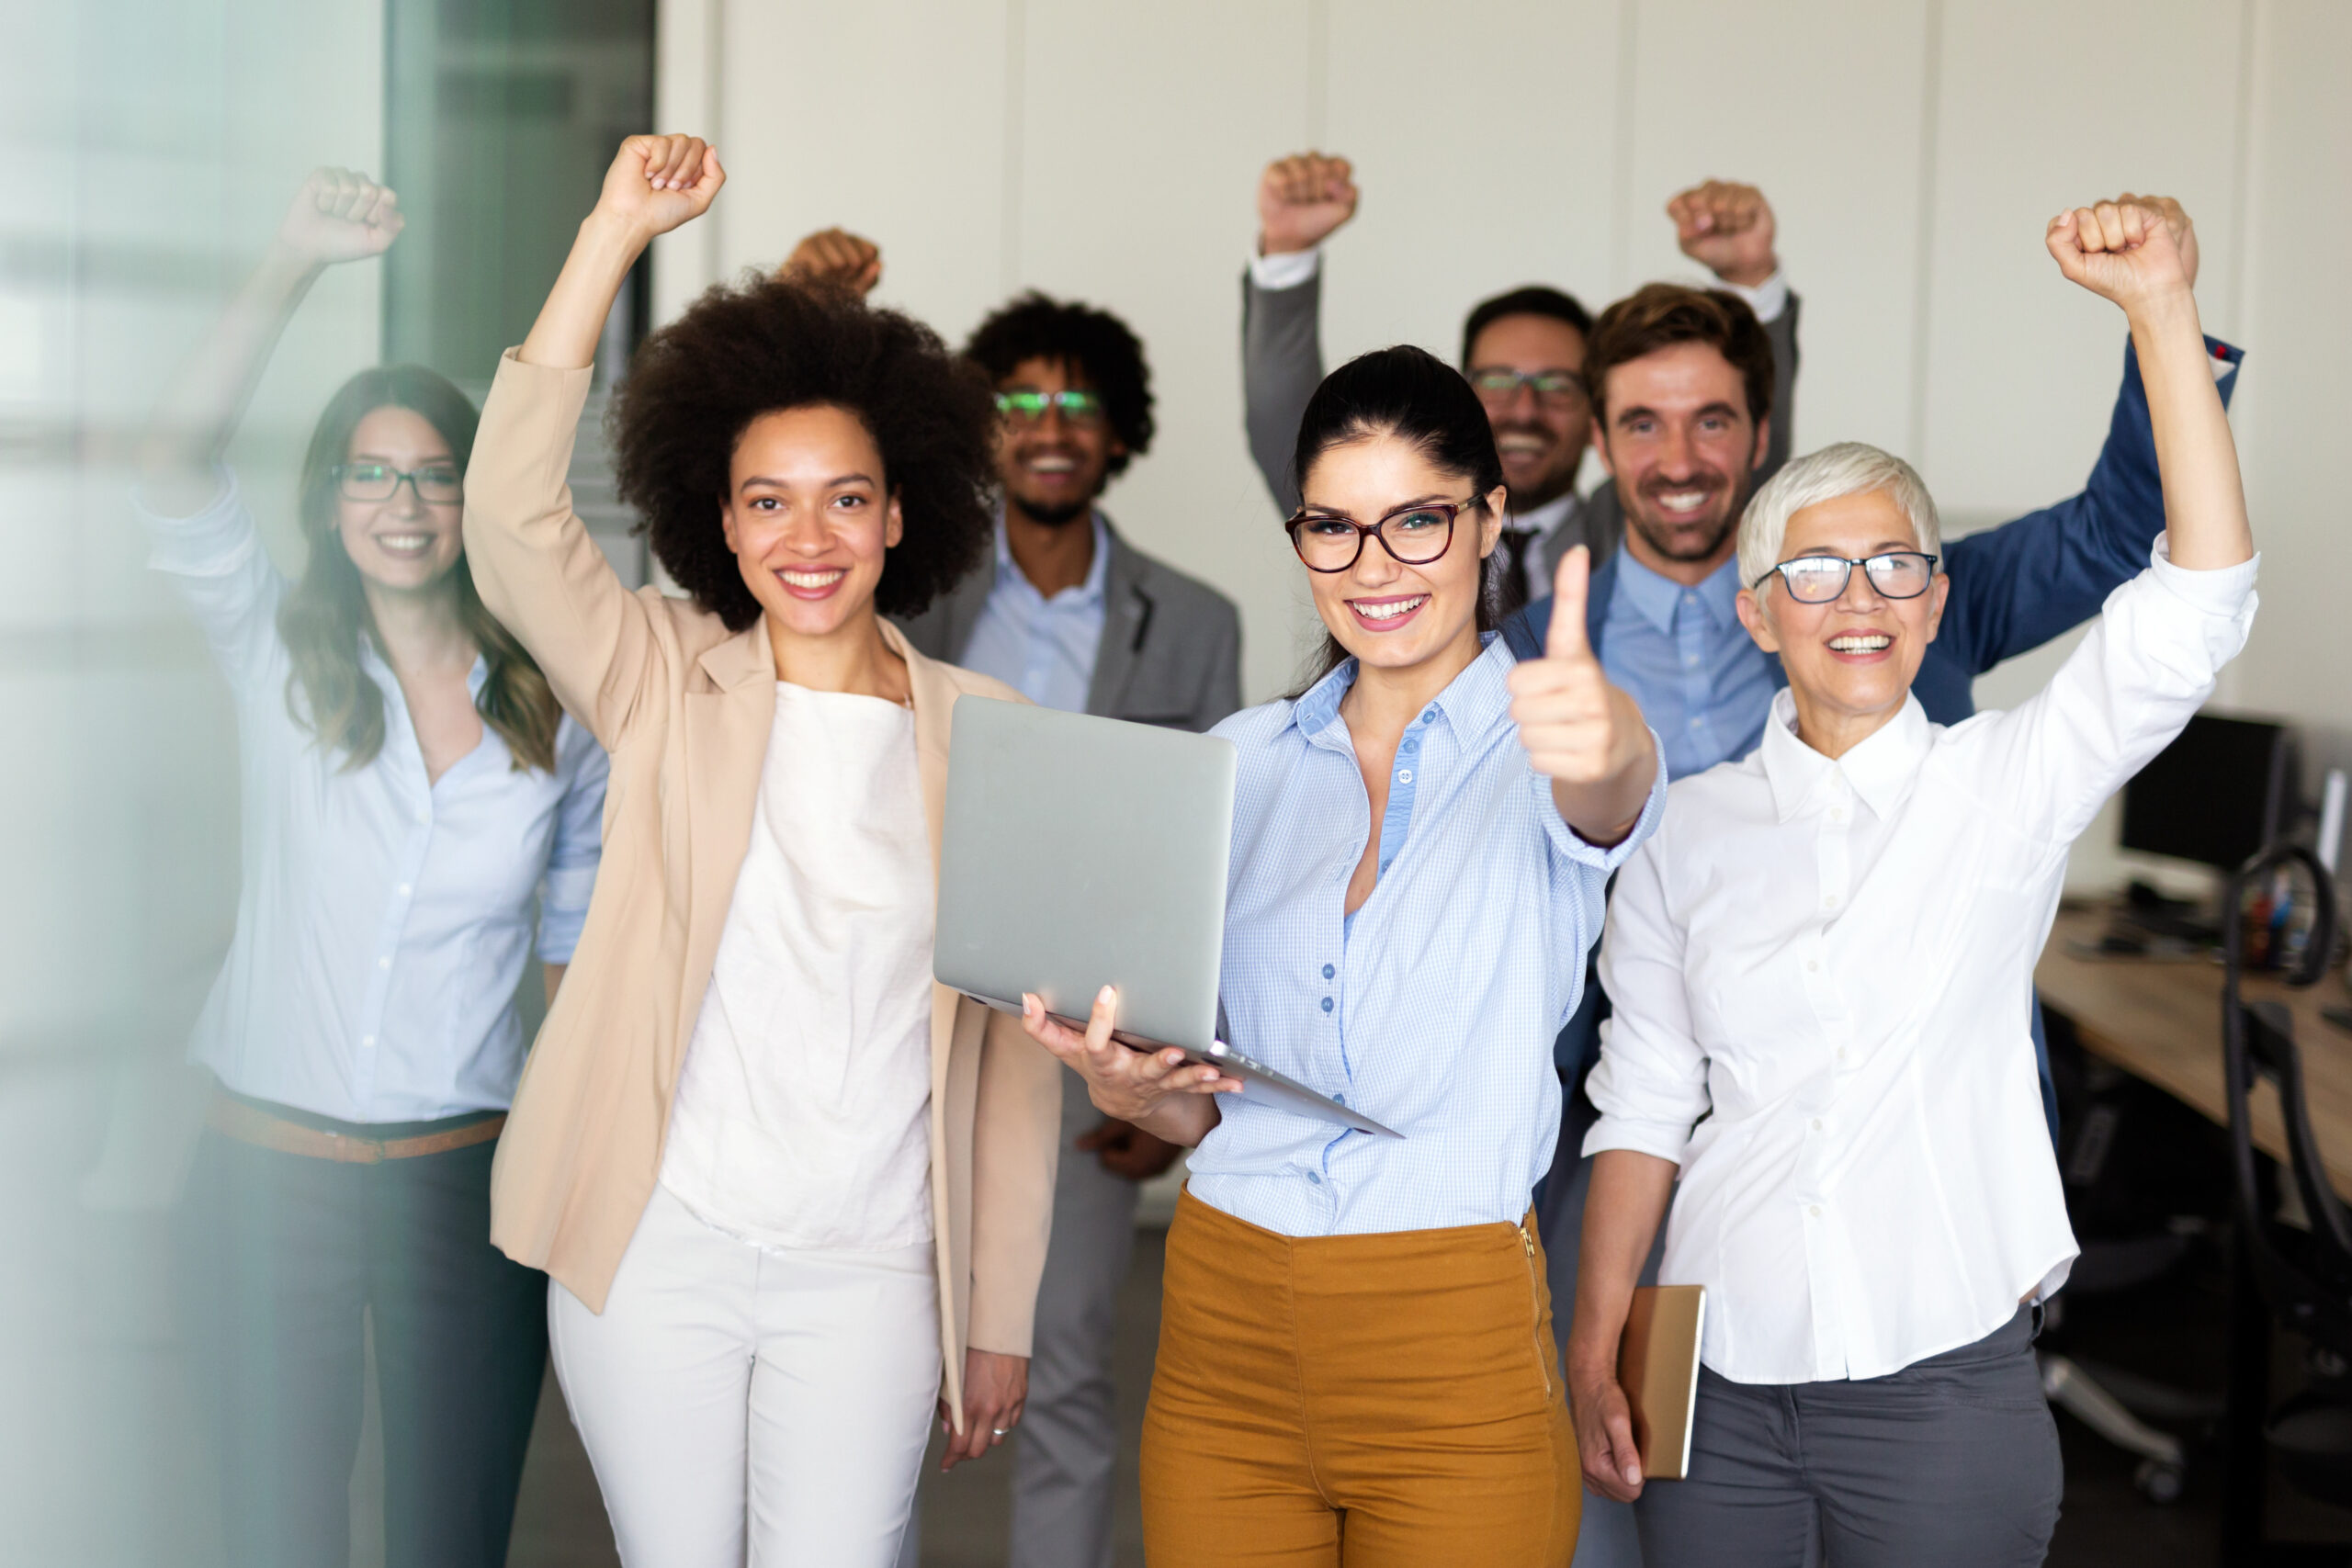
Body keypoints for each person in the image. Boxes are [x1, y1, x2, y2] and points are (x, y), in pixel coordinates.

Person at [1571, 199, 2256, 1566]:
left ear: (1937, 603)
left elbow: (2196, 604)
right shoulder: (1681, 830)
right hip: (1710, 1366)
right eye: (1813, 569)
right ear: (1759, 612)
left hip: (1941, 1371)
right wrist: (1594, 1340)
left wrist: (2163, 310)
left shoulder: (2004, 783)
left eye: (1897, 562)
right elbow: (1643, 1099)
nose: (1860, 594)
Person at [461, 135, 1062, 1565]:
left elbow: (1017, 1057)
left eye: (845, 496)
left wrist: (997, 1311)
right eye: (768, 500)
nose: (810, 535)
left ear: (900, 511)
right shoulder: (662, 674)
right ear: (721, 526)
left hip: (870, 1263)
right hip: (658, 1244)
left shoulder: (990, 730)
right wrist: (612, 235)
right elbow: (509, 522)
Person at [1022, 342, 1667, 1563]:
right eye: (1335, 526)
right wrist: (1122, 1087)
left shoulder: (1551, 739)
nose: (1374, 568)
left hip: (1455, 1333)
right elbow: (1204, 1104)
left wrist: (1603, 731)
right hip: (1222, 1323)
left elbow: (1614, 789)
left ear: (1491, 521)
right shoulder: (1239, 763)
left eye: (1418, 521)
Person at [143, 168, 608, 1568]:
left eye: (431, 473)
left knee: (449, 1539)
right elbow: (172, 463)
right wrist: (289, 259)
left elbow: (575, 966)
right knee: (273, 1532)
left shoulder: (557, 710)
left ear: (472, 496)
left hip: (460, 1194)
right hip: (258, 1177)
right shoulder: (275, 652)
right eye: (368, 471)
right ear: (331, 497)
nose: (401, 502)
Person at [786, 231, 1245, 1568]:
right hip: (896, 1022)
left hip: (1084, 1053)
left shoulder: (1196, 617)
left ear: (1119, 433)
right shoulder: (915, 586)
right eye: (1021, 404)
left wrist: (1174, 1085)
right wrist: (826, 318)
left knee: (1062, 1378)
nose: (1049, 430)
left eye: (1077, 405)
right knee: (871, 1376)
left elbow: (1209, 856)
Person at [1244, 153, 1799, 613]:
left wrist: (1748, 282)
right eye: (1499, 382)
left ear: (1598, 419)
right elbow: (1285, 429)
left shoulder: (1630, 521)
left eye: (1558, 386)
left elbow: (1739, 448)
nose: (1525, 409)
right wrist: (1289, 253)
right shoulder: (1400, 517)